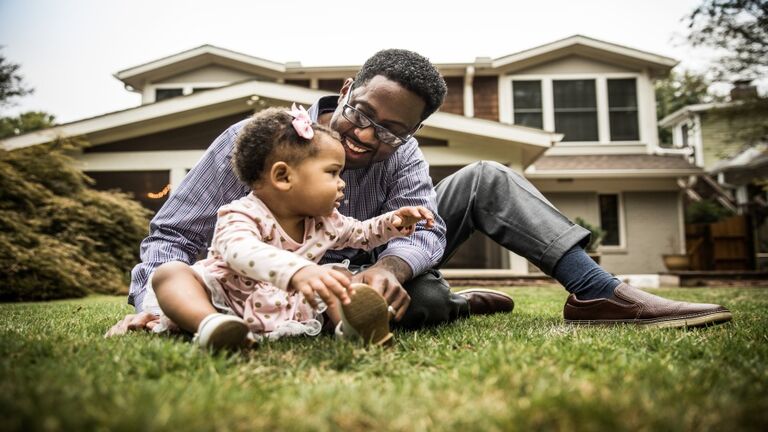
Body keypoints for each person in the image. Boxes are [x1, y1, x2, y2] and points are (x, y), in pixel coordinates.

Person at [106, 48, 731, 338]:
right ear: (347, 88)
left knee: (486, 178)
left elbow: (426, 225)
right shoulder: (262, 141)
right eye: (361, 114)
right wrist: (168, 306)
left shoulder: (402, 154)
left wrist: (389, 264)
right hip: (276, 284)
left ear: (414, 132)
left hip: (360, 261)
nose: (365, 137)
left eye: (392, 130)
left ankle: (600, 295)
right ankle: (455, 303)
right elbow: (173, 238)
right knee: (427, 304)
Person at [146, 105, 434, 347]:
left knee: (338, 277)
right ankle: (211, 325)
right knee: (170, 273)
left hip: (282, 302)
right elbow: (240, 251)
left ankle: (353, 329)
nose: (342, 183)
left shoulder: (325, 221)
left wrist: (393, 222)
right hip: (225, 297)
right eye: (333, 173)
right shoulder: (240, 214)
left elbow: (362, 234)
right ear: (283, 176)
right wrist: (297, 271)